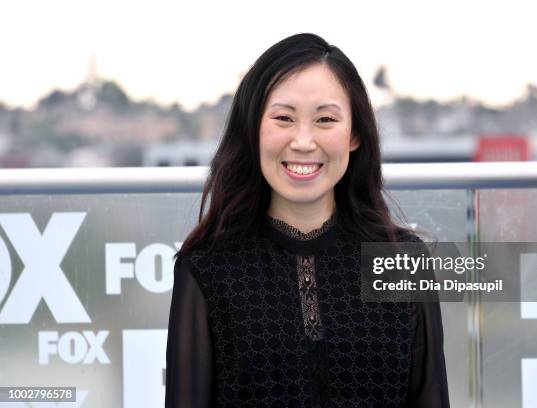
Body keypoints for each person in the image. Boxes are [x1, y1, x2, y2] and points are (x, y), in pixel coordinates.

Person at [165, 33, 449, 407]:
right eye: (283, 118)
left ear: (355, 134)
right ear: (254, 130)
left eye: (325, 119)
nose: (303, 141)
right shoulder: (206, 267)